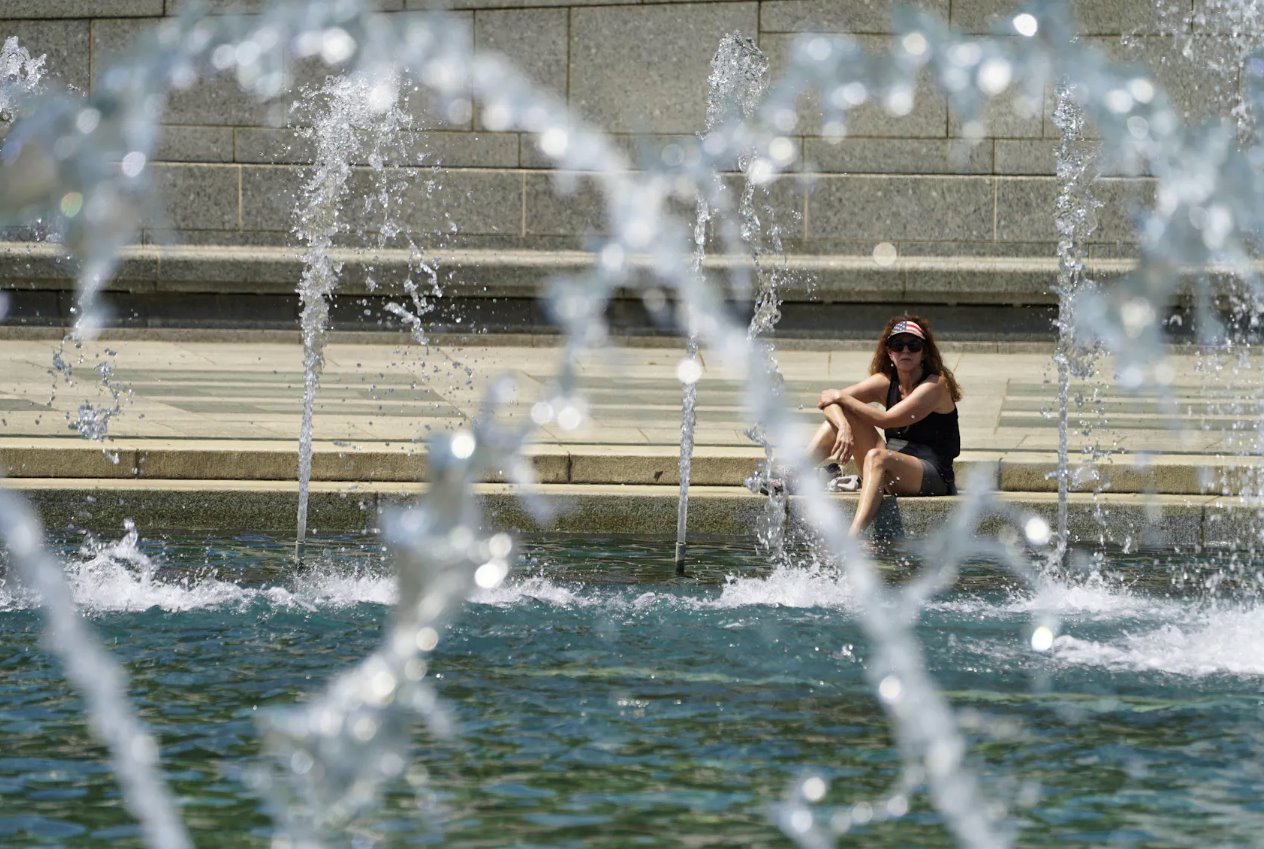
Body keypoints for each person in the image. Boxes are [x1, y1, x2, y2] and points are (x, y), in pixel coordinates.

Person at [810, 316, 962, 537]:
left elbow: (887, 420)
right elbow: (827, 399)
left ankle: (852, 539)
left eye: (914, 345)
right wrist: (843, 425)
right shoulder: (885, 381)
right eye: (898, 345)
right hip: (889, 467)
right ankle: (792, 475)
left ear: (925, 352)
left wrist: (841, 397)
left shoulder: (936, 385)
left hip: (932, 474)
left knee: (877, 456)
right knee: (847, 416)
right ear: (889, 352)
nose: (906, 351)